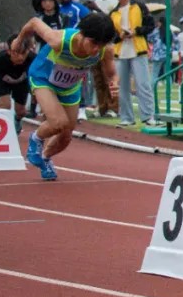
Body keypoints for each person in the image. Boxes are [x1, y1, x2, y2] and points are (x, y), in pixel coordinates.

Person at [15, 13, 118, 180]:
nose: (96, 50)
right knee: (58, 122)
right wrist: (19, 40)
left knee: (66, 135)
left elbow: (111, 73)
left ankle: (45, 158)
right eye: (94, 43)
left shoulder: (105, 51)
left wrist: (114, 82)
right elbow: (34, 22)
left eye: (101, 45)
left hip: (70, 86)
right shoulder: (58, 40)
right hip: (43, 78)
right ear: (82, 34)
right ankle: (36, 138)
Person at [108, 0, 158, 127]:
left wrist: (136, 31)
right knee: (122, 87)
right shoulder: (113, 13)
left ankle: (148, 116)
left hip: (138, 50)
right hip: (120, 52)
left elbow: (150, 25)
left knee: (143, 84)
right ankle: (126, 117)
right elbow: (110, 35)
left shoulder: (139, 6)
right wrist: (120, 36)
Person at [0, 34, 36, 133]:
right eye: (16, 53)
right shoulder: (0, 59)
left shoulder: (33, 59)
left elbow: (38, 78)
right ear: (9, 51)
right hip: (3, 82)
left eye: (23, 53)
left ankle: (17, 120)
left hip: (21, 83)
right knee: (5, 106)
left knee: (21, 111)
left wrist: (34, 94)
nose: (20, 57)